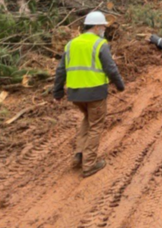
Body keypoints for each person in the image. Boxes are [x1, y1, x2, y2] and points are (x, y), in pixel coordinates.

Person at [53, 10, 125, 177]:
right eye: (103, 27)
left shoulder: (71, 44)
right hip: (95, 93)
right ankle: (89, 164)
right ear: (97, 26)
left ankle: (79, 154)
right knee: (96, 125)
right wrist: (120, 85)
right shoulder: (100, 44)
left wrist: (57, 92)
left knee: (88, 118)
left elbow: (60, 70)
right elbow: (111, 68)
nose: (104, 30)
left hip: (75, 94)